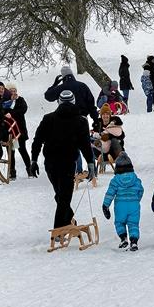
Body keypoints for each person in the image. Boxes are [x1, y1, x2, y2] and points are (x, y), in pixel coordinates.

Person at [31, 89, 94, 231]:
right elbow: (85, 145)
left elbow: (37, 141)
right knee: (64, 198)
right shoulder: (81, 121)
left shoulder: (48, 118)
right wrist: (90, 163)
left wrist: (33, 161)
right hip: (67, 163)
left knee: (61, 196)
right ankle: (59, 231)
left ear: (58, 102)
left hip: (50, 164)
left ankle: (69, 222)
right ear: (74, 102)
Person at [102, 152, 143, 251]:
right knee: (133, 224)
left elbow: (110, 193)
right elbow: (141, 190)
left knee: (119, 223)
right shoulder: (136, 179)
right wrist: (136, 199)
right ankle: (133, 242)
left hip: (120, 207)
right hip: (134, 206)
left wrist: (105, 205)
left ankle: (123, 238)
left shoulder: (115, 180)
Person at [5, 84, 34, 178]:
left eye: (14, 90)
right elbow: (3, 112)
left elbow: (23, 110)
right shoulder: (5, 101)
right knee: (11, 151)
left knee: (23, 150)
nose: (13, 92)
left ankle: (30, 170)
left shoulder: (21, 100)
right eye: (11, 91)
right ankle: (12, 172)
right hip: (9, 130)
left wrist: (11, 112)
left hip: (19, 129)